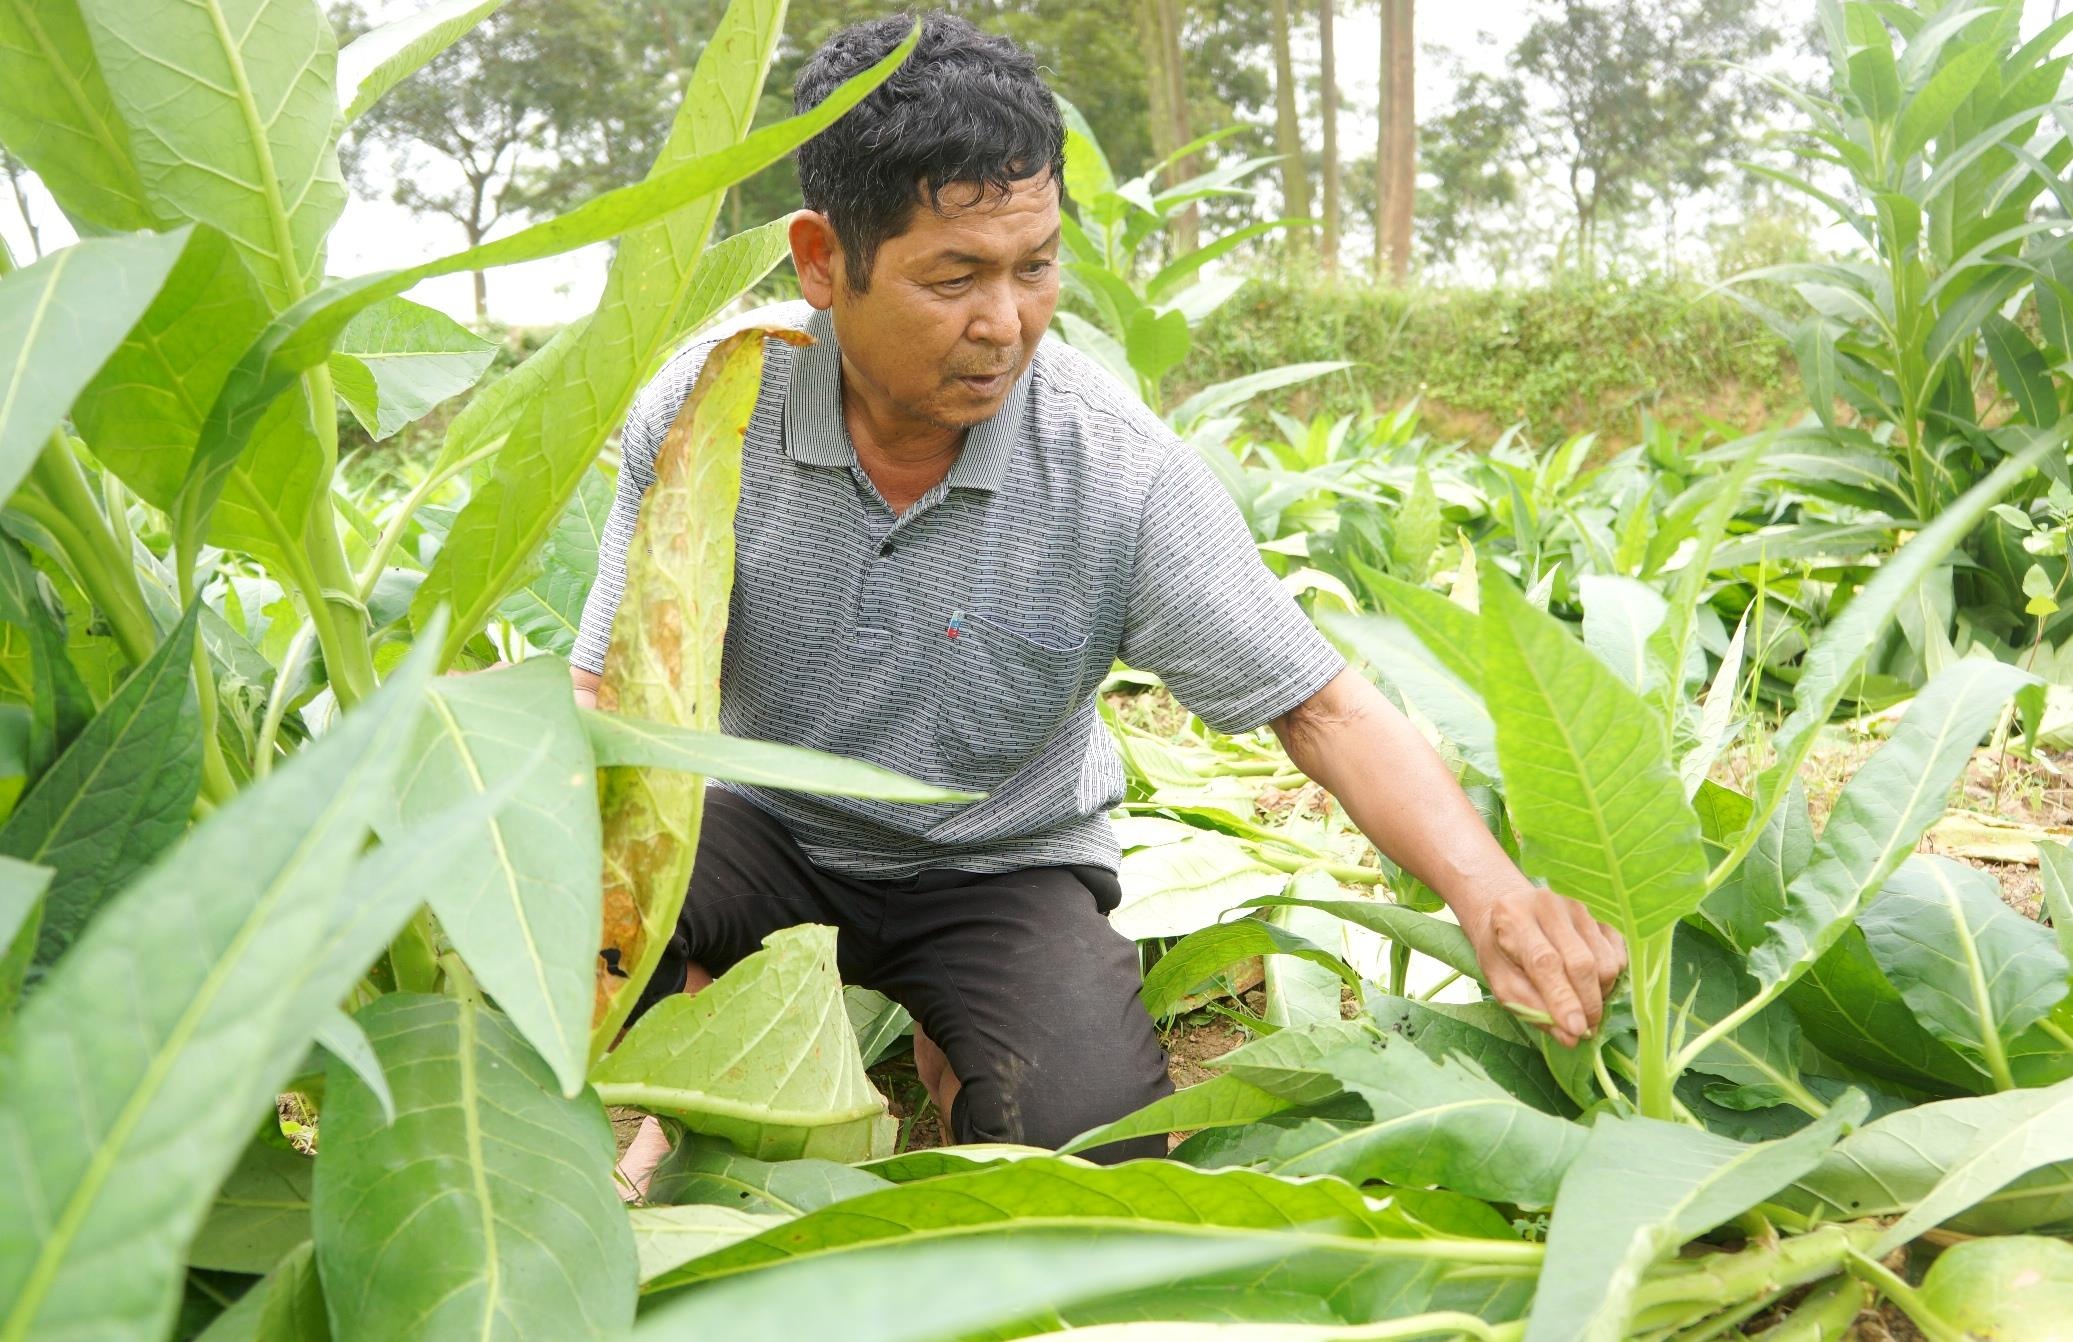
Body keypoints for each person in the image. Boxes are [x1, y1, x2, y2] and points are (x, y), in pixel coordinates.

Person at [571, 11, 1626, 1190]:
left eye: (1035, 267)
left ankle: (957, 1037)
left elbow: (1318, 705)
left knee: (1092, 1160)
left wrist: (1495, 897)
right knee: (557, 901)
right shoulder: (712, 409)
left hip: (995, 869)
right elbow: (606, 690)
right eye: (954, 277)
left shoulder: (1114, 468)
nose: (1004, 324)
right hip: (762, 829)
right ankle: (700, 1076)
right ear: (822, 260)